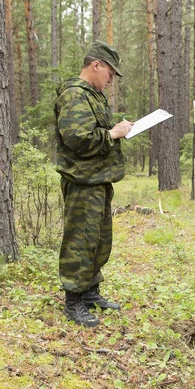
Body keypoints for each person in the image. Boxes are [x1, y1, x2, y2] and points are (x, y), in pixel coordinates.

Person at [54, 40, 133, 327]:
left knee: (98, 241)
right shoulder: (75, 95)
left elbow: (97, 131)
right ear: (96, 65)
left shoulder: (94, 96)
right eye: (110, 72)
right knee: (80, 242)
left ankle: (89, 292)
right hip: (82, 181)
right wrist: (113, 134)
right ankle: (73, 300)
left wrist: (118, 131)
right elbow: (78, 139)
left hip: (98, 179)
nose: (111, 79)